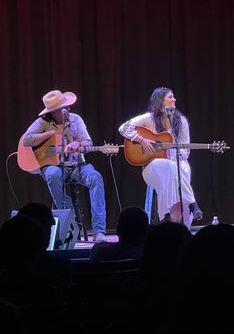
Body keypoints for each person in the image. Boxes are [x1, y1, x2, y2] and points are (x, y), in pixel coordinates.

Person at [22, 90, 107, 242]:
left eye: (68, 106)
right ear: (53, 113)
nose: (69, 109)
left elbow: (88, 143)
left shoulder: (76, 119)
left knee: (95, 177)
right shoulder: (43, 122)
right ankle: (71, 224)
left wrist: (78, 144)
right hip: (53, 166)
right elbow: (27, 140)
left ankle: (99, 231)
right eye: (64, 108)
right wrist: (50, 134)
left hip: (76, 164)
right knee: (52, 175)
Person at [118, 87, 202, 229]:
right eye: (170, 97)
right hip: (153, 165)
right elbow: (123, 128)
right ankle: (192, 203)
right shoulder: (148, 118)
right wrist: (141, 140)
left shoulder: (181, 121)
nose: (174, 99)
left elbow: (185, 149)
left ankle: (175, 226)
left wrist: (176, 156)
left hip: (176, 163)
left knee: (180, 169)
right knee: (170, 167)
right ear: (160, 101)